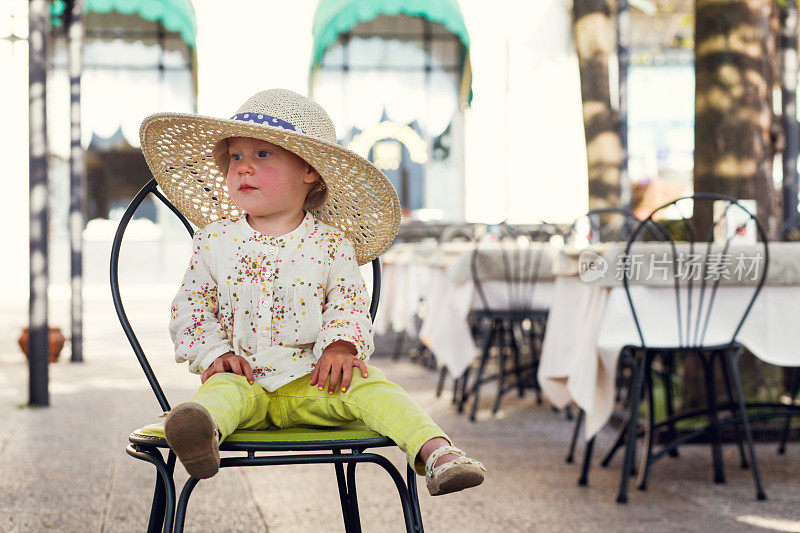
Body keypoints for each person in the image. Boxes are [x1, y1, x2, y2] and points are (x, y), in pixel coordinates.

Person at [139, 88, 485, 496]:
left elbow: (348, 303)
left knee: (372, 387)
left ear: (310, 171)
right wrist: (216, 355)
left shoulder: (330, 244)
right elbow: (190, 308)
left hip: (314, 380)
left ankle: (437, 453)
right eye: (235, 157)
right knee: (220, 394)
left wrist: (340, 347)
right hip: (244, 378)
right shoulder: (214, 241)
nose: (243, 168)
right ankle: (201, 436)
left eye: (262, 155)